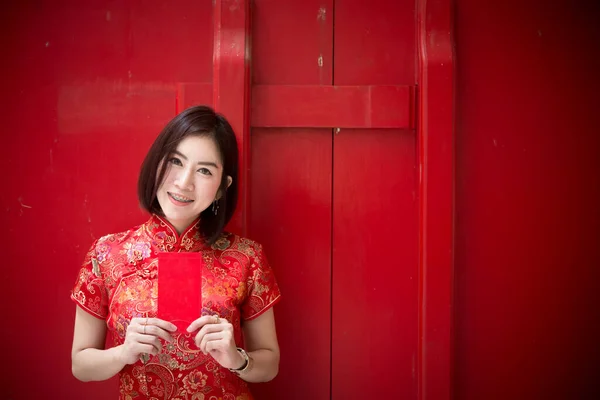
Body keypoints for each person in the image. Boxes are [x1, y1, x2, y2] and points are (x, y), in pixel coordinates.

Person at [70, 105, 281, 400]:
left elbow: (269, 363)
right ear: (157, 163)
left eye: (205, 170)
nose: (184, 182)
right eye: (175, 161)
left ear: (223, 187)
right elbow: (80, 364)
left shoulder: (247, 257)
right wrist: (124, 353)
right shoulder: (107, 253)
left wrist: (237, 359)